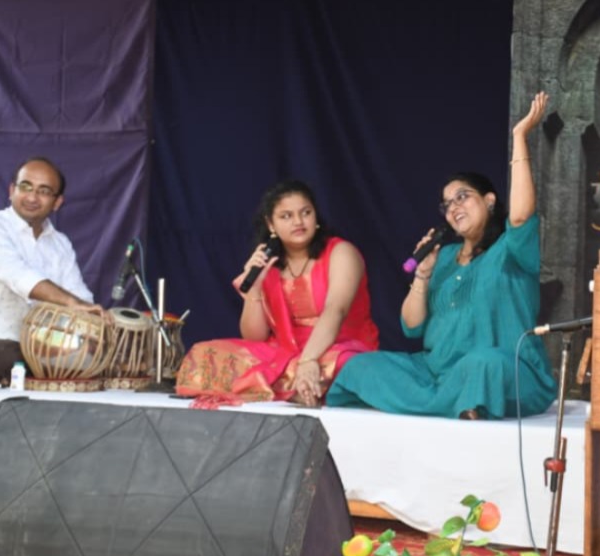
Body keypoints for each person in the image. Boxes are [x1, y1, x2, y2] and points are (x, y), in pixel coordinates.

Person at [326, 92, 557, 419]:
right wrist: (422, 274)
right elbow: (411, 326)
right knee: (360, 366)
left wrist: (519, 136)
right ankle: (454, 402)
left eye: (463, 197)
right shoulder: (444, 257)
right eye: (447, 205)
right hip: (436, 372)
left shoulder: (511, 248)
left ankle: (450, 402)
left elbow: (520, 215)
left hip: (507, 371)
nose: (454, 207)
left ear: (490, 200)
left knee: (483, 365)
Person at [175, 180, 379, 407]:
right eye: (286, 216)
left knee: (347, 365)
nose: (298, 222)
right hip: (284, 351)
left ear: (316, 216)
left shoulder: (341, 253)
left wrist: (308, 360)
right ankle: (297, 388)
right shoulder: (268, 265)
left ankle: (289, 385)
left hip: (337, 346)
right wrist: (255, 289)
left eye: (306, 213)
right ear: (270, 224)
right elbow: (255, 338)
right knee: (207, 352)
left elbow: (335, 311)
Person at [0, 157, 102, 385]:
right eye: (25, 187)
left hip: (35, 349)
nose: (32, 197)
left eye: (44, 191)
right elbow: (19, 276)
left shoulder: (60, 244)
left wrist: (97, 325)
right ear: (12, 191)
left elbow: (80, 297)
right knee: (23, 357)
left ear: (57, 202)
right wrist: (72, 303)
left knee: (89, 359)